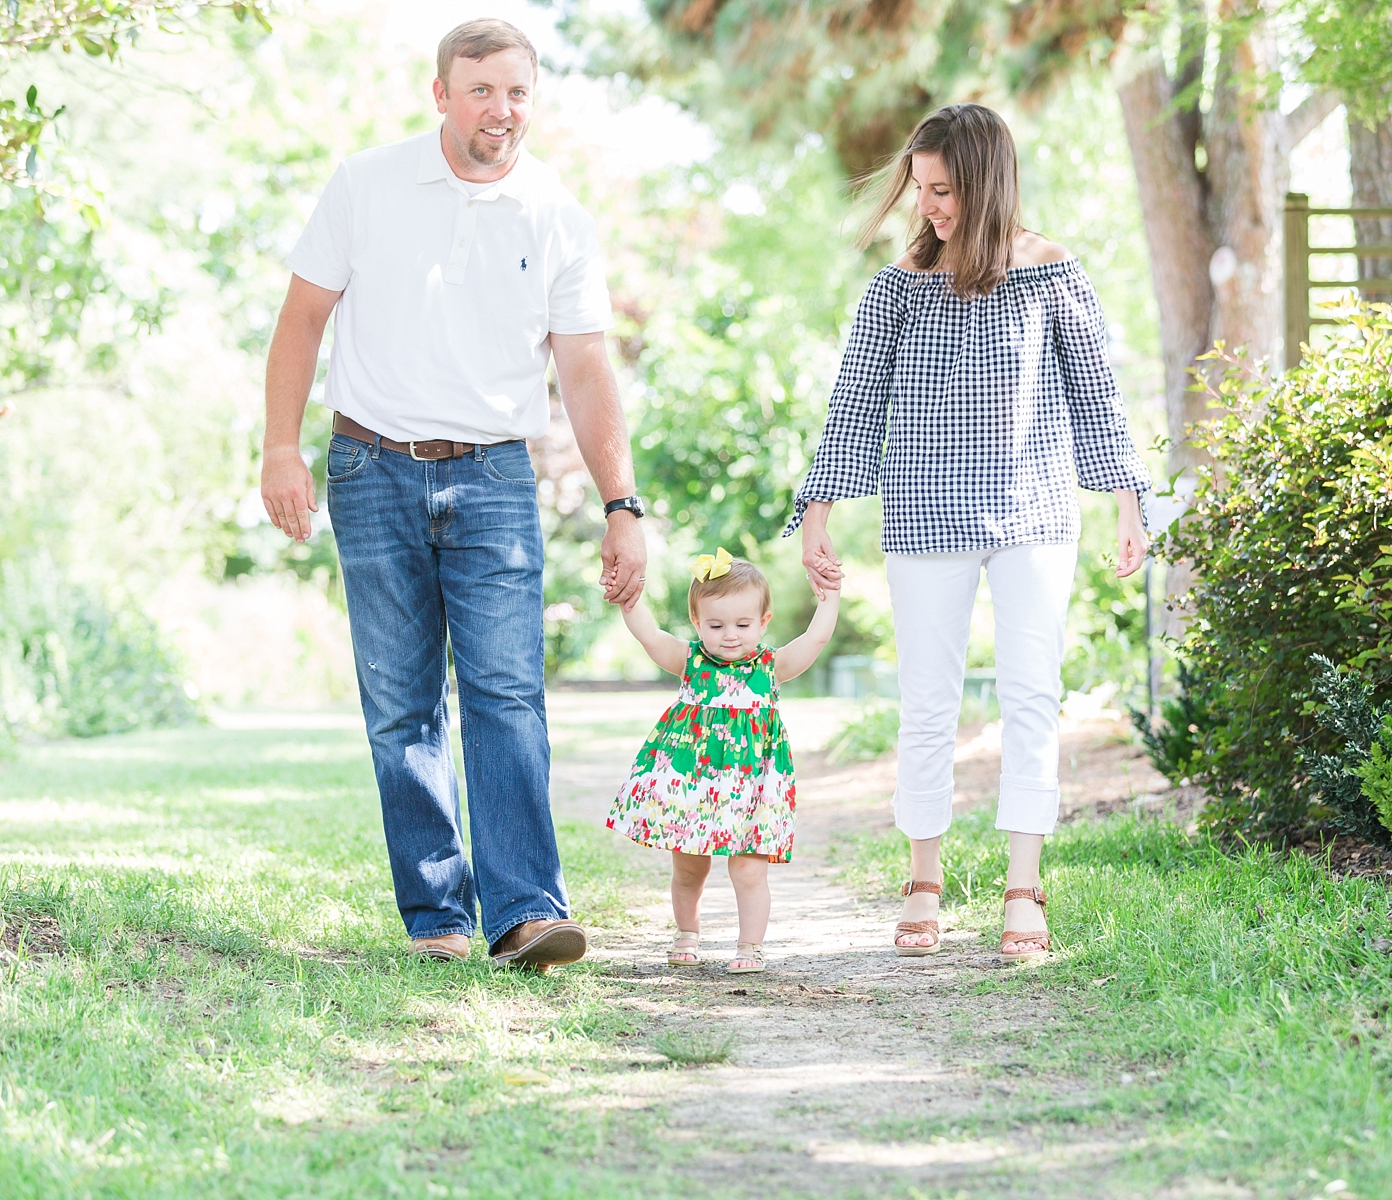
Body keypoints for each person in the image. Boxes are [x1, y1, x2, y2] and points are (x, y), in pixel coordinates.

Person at [260, 18, 648, 970]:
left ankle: (524, 913)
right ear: (442, 94)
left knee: (508, 695)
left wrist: (621, 503)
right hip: (369, 465)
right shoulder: (366, 183)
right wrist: (280, 446)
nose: (500, 111)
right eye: (480, 90)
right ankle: (436, 915)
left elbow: (587, 367)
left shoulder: (555, 211)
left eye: (516, 92)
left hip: (493, 478)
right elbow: (302, 319)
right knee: (401, 704)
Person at [787, 103, 1151, 965]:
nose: (930, 209)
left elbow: (1098, 395)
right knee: (929, 703)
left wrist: (1130, 501)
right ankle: (924, 880)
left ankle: (1024, 885)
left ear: (987, 184)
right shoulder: (898, 287)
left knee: (1032, 693)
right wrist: (818, 512)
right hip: (922, 508)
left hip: (1033, 512)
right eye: (921, 192)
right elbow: (854, 405)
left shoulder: (1052, 272)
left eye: (943, 191)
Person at [606, 551, 840, 973]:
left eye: (742, 625)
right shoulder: (690, 660)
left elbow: (815, 640)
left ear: (764, 621)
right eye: (715, 625)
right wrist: (630, 601)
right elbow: (650, 636)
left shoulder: (771, 666)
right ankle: (687, 933)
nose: (729, 635)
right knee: (689, 868)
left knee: (750, 871)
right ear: (697, 623)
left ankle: (750, 946)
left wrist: (831, 598)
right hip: (694, 783)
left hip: (752, 789)